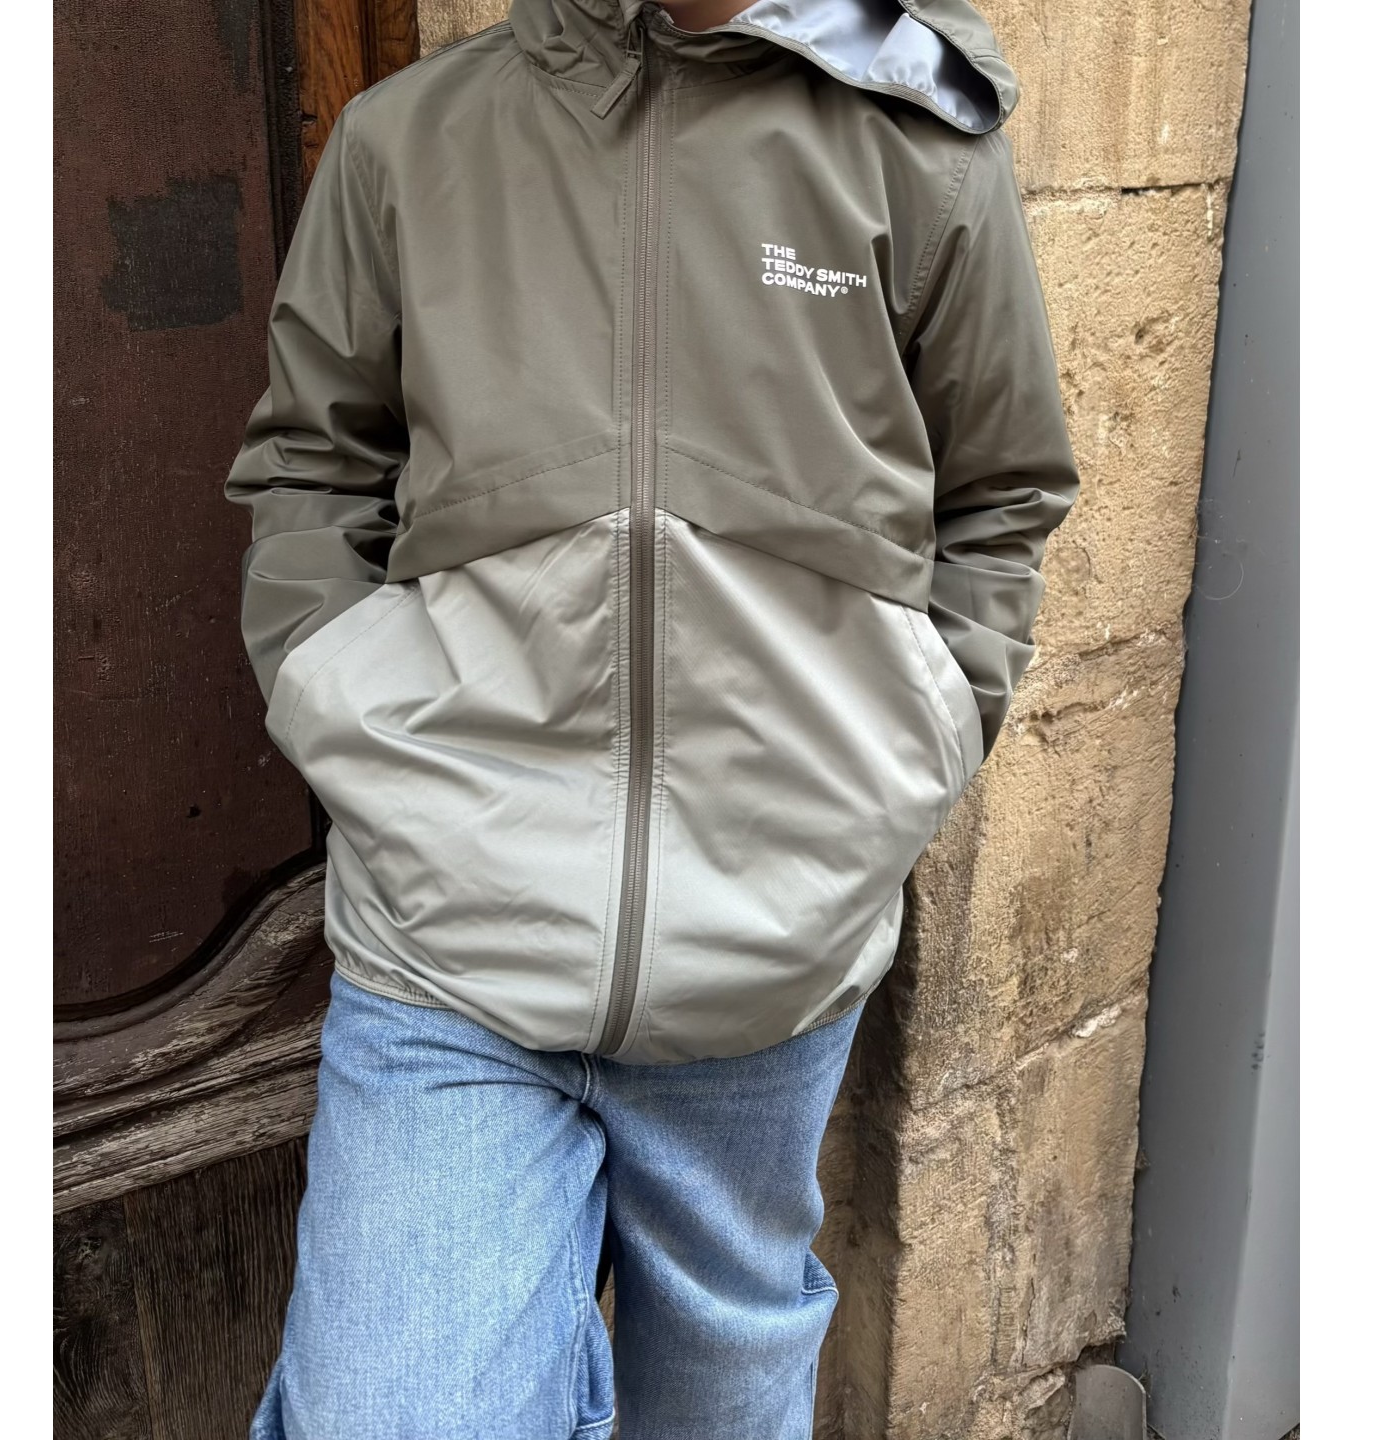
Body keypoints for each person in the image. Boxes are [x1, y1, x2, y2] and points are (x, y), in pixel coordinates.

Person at [226, 0, 1079, 1433]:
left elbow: (1001, 490)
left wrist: (912, 740)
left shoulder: (921, 153)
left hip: (772, 939)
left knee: (724, 1398)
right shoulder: (406, 141)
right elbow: (315, 466)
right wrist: (337, 687)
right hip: (452, 942)